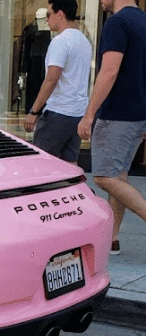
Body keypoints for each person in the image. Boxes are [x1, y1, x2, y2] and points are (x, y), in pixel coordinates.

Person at [77, 0, 146, 255]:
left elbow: (109, 71)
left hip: (117, 114)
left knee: (105, 177)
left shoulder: (118, 22)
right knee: (118, 176)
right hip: (137, 115)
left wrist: (89, 114)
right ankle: (113, 240)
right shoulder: (142, 21)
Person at [23, 0, 91, 164]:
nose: (47, 20)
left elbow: (51, 79)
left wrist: (34, 111)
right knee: (69, 166)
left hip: (58, 112)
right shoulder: (84, 41)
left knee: (41, 165)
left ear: (60, 14)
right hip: (77, 113)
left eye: (49, 14)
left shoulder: (60, 42)